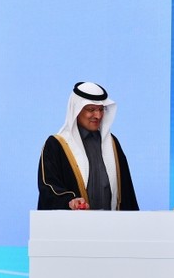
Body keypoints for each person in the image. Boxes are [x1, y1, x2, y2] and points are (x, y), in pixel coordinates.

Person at [38, 81, 139, 211]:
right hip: (73, 222)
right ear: (76, 110)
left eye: (101, 110)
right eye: (91, 110)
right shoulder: (56, 145)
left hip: (111, 222)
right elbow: (48, 187)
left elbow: (126, 192)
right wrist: (69, 201)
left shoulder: (112, 143)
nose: (98, 116)